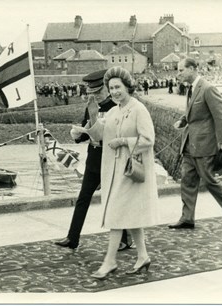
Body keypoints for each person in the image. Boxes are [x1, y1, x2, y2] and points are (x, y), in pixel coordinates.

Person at [80, 66, 158, 279]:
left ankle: (110, 261)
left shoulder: (138, 109)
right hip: (115, 172)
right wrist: (94, 116)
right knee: (128, 215)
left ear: (127, 87)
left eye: (118, 87)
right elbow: (98, 136)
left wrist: (124, 141)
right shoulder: (114, 111)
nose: (114, 91)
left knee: (115, 214)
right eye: (111, 88)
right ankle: (143, 256)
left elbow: (148, 140)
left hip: (131, 172)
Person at [54, 69, 133, 251]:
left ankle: (125, 239)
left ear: (106, 89)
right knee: (83, 198)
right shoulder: (91, 107)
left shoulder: (117, 107)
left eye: (97, 92)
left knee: (114, 200)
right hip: (93, 160)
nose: (94, 96)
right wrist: (77, 133)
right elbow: (84, 134)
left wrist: (95, 119)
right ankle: (72, 238)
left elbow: (115, 133)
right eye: (91, 93)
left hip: (111, 160)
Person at [168, 58, 222, 230]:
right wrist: (182, 120)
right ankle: (187, 218)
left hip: (204, 144)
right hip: (189, 144)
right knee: (187, 180)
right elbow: (192, 112)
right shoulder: (191, 89)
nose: (178, 74)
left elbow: (221, 116)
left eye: (181, 70)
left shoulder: (208, 89)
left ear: (193, 69)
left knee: (209, 179)